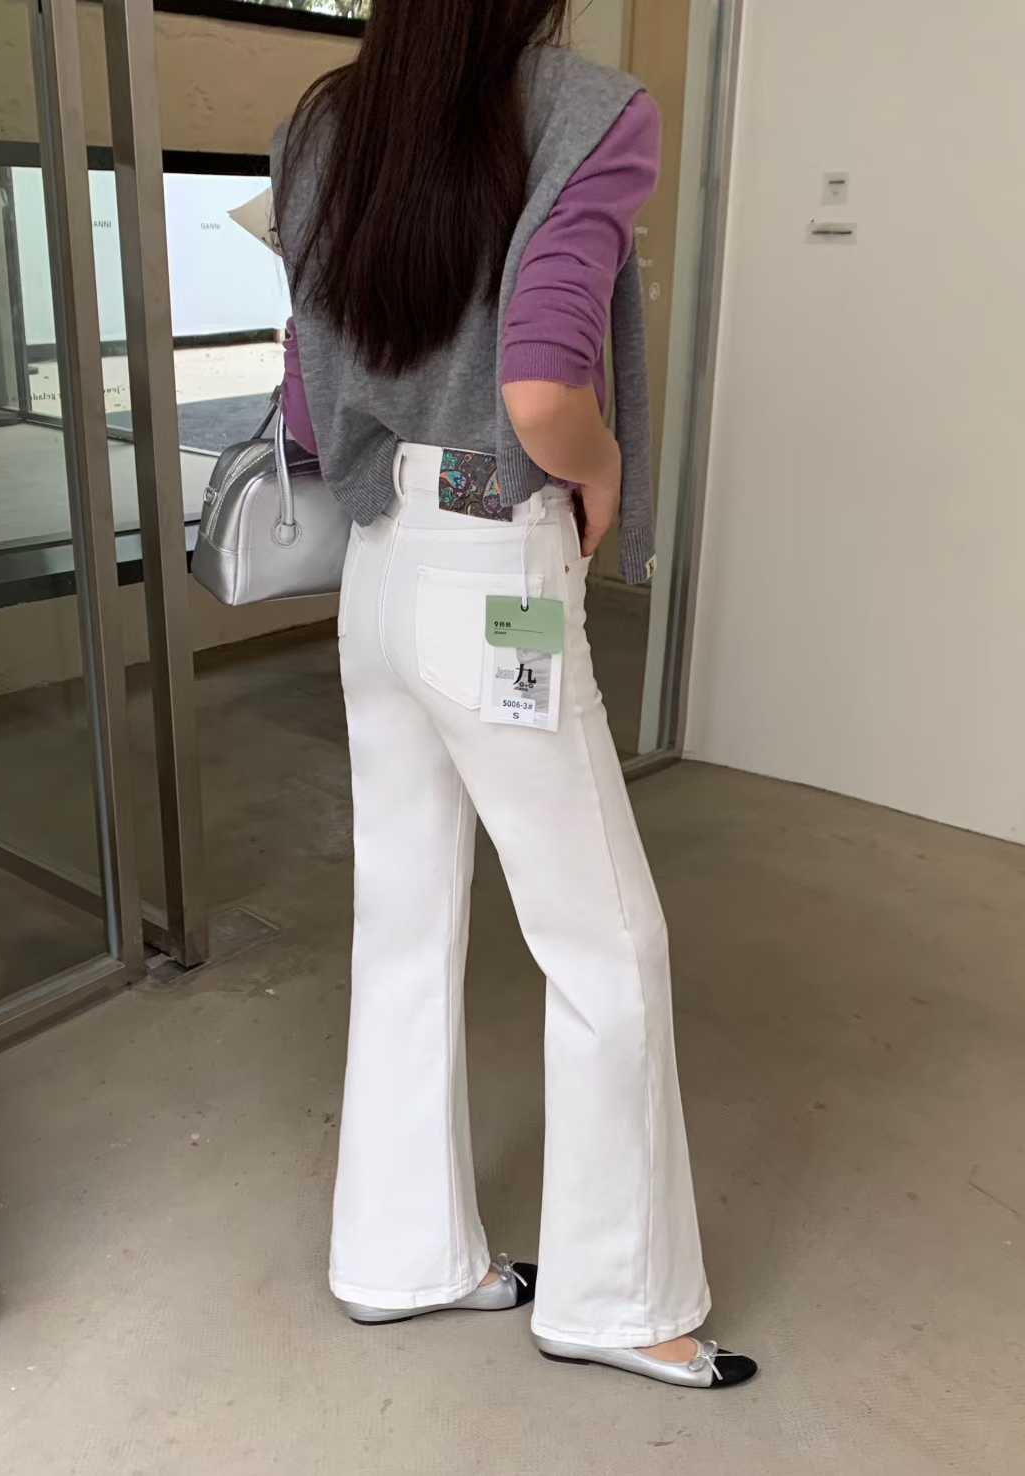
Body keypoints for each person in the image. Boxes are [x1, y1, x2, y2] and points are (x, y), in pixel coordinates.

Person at [272, 0, 756, 1389]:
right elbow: (543, 391)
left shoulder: (327, 126)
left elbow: (307, 396)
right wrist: (603, 471)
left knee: (405, 919)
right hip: (497, 565)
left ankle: (400, 1258)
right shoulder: (588, 113)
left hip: (379, 567)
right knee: (608, 941)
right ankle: (616, 1300)